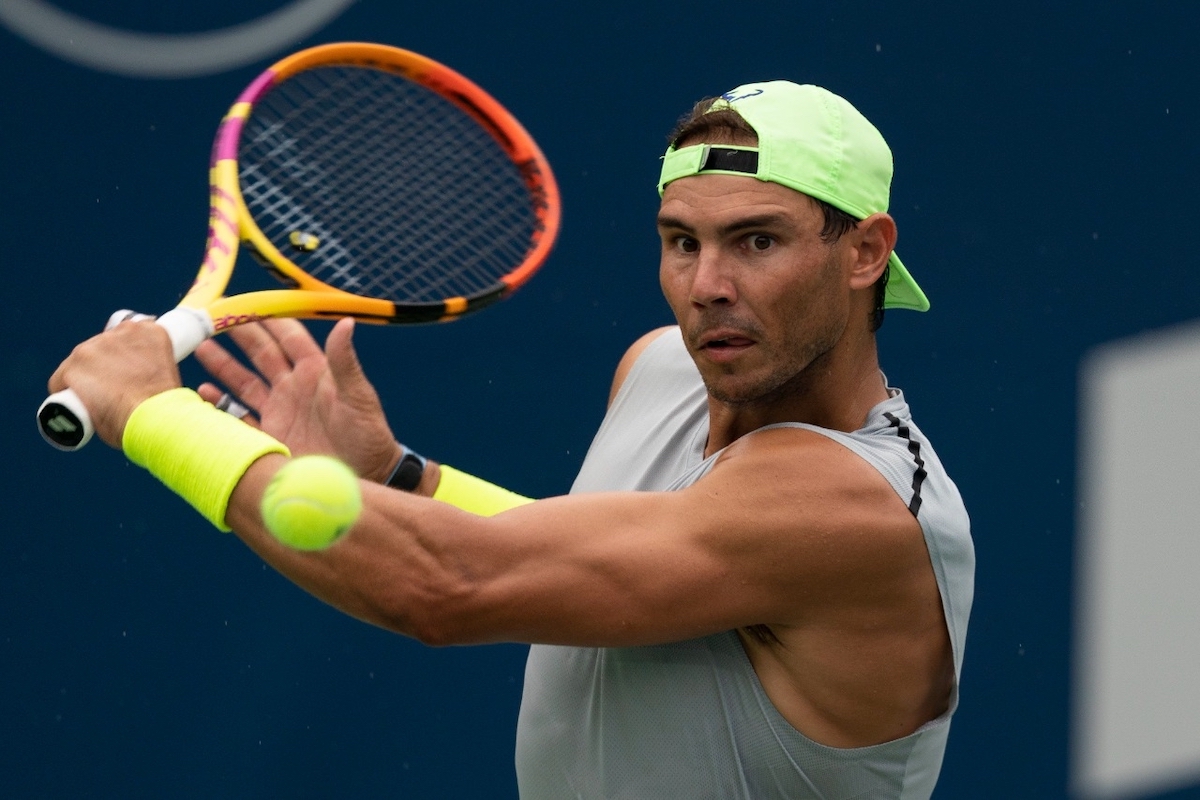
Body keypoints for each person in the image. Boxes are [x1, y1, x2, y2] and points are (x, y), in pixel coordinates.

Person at [48, 80, 974, 798]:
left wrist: (148, 413)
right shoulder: (660, 367)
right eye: (681, 241)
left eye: (757, 242)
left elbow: (449, 587)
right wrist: (399, 479)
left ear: (864, 252)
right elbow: (615, 566)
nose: (706, 285)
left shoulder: (855, 508)